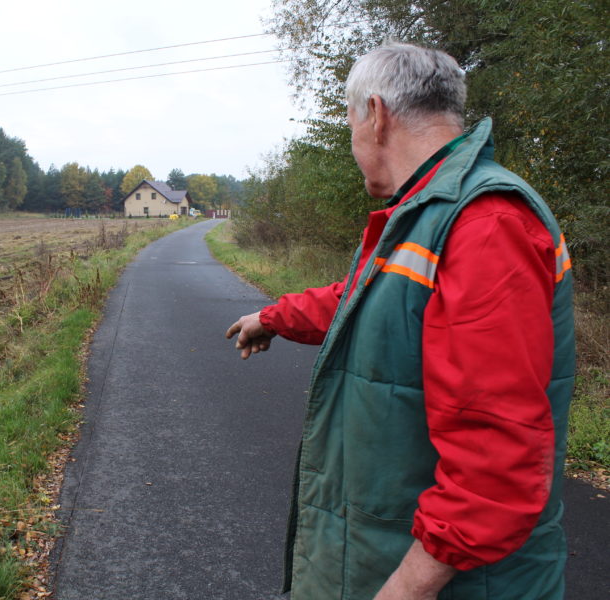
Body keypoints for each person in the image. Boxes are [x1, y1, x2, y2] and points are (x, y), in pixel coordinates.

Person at [226, 42, 574, 600]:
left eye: (351, 127)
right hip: (385, 552)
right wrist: (272, 317)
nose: (355, 145)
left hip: (454, 581)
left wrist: (410, 587)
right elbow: (368, 299)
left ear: (377, 115)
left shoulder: (485, 223)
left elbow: (495, 453)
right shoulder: (431, 210)